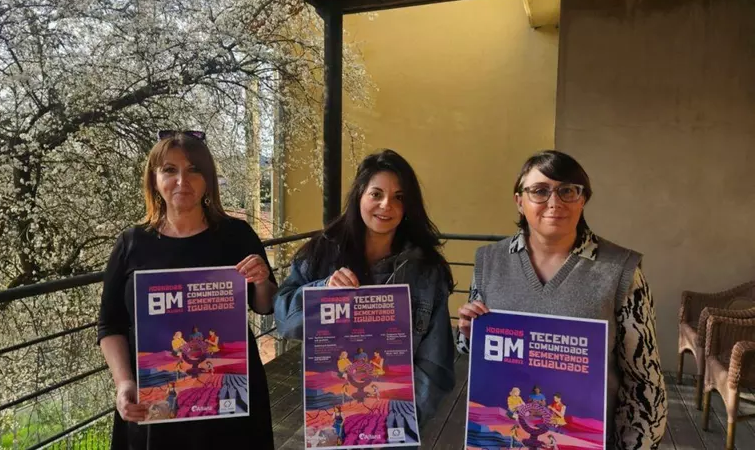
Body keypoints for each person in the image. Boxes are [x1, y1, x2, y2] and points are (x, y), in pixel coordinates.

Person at [456, 150, 667, 449]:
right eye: (539, 191)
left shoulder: (621, 271)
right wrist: (469, 333)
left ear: (583, 199)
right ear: (519, 201)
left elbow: (644, 381)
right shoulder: (489, 261)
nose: (554, 202)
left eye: (567, 191)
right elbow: (469, 350)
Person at [97, 129, 277, 449]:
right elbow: (110, 325)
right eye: (170, 170)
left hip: (230, 399)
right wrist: (124, 382)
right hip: (155, 397)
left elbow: (265, 305)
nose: (182, 181)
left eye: (194, 170)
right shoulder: (131, 243)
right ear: (154, 179)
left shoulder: (236, 235)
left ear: (208, 180)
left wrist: (261, 279)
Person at [274, 149, 456, 426]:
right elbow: (285, 320)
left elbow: (436, 363)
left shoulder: (427, 271)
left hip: (395, 424)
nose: (386, 205)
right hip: (331, 420)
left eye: (399, 197)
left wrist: (399, 418)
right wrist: (322, 292)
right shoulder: (321, 253)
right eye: (376, 194)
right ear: (359, 194)